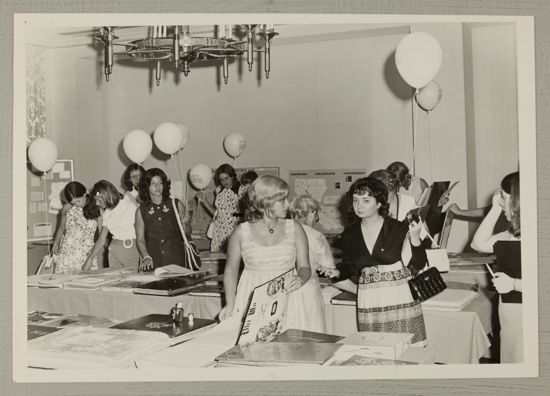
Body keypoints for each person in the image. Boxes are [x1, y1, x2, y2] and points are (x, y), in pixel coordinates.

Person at [333, 177, 428, 346]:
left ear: (378, 204)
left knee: (408, 351)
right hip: (369, 301)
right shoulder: (349, 235)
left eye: (365, 200)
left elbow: (418, 264)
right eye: (355, 200)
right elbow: (350, 267)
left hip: (400, 299)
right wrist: (335, 272)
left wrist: (414, 239)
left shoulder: (398, 228)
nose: (359, 205)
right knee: (376, 350)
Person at [219, 175, 315, 332]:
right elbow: (230, 271)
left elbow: (305, 267)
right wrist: (230, 303)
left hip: (288, 298)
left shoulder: (295, 228)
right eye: (282, 200)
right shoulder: (241, 232)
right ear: (265, 202)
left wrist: (300, 279)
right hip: (252, 299)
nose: (288, 204)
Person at [471, 171, 521, 363]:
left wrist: (514, 284)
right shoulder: (511, 234)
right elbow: (479, 244)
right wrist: (494, 209)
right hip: (509, 318)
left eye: (504, 198)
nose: (501, 203)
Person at [135, 168, 196, 271]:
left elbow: (188, 232)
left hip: (177, 261)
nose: (157, 186)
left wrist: (185, 223)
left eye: (160, 183)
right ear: (146, 186)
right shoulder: (141, 211)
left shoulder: (176, 204)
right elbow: (140, 240)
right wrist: (146, 257)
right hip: (153, 262)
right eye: (153, 183)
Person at [82, 180, 139, 271]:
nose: (96, 203)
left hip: (130, 249)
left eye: (98, 200)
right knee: (115, 283)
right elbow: (101, 239)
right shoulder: (107, 213)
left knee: (131, 282)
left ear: (106, 195)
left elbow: (141, 234)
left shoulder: (130, 207)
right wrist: (90, 259)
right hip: (113, 251)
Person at [51, 182, 101, 273]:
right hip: (67, 252)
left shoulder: (97, 209)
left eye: (78, 201)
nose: (77, 204)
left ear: (84, 193)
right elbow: (61, 228)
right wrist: (56, 242)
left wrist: (93, 252)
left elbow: (102, 236)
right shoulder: (67, 208)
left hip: (86, 253)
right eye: (73, 203)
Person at [196, 163, 247, 253]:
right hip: (219, 232)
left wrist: (234, 216)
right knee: (218, 261)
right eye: (221, 179)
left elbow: (246, 213)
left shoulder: (241, 190)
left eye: (226, 178)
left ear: (233, 177)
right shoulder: (219, 190)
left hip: (234, 231)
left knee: (233, 258)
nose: (224, 182)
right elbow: (217, 214)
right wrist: (204, 200)